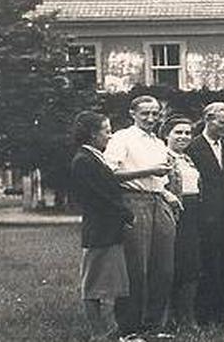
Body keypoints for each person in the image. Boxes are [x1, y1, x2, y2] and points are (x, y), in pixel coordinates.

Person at [103, 95, 180, 339]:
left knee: (163, 268)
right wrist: (150, 171)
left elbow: (160, 179)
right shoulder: (121, 138)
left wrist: (167, 193)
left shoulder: (158, 142)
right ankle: (129, 329)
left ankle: (153, 326)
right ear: (132, 113)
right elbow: (109, 173)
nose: (150, 118)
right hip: (133, 202)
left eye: (155, 114)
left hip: (159, 201)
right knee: (136, 268)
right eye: (145, 113)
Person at [69, 111, 134, 342]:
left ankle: (108, 330)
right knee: (93, 284)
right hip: (99, 231)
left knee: (107, 283)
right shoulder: (84, 160)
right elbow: (100, 197)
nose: (110, 135)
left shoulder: (94, 157)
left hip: (108, 230)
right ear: (92, 134)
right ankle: (97, 334)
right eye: (106, 131)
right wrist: (126, 214)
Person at [185, 102, 224, 325]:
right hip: (202, 214)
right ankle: (205, 314)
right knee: (207, 263)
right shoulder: (192, 146)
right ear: (208, 118)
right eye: (222, 122)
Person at [161, 116, 202, 331]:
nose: (184, 137)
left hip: (193, 212)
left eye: (187, 133)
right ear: (166, 134)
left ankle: (188, 316)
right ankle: (167, 318)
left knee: (191, 264)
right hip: (172, 212)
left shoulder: (188, 159)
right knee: (170, 263)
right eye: (178, 132)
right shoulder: (161, 157)